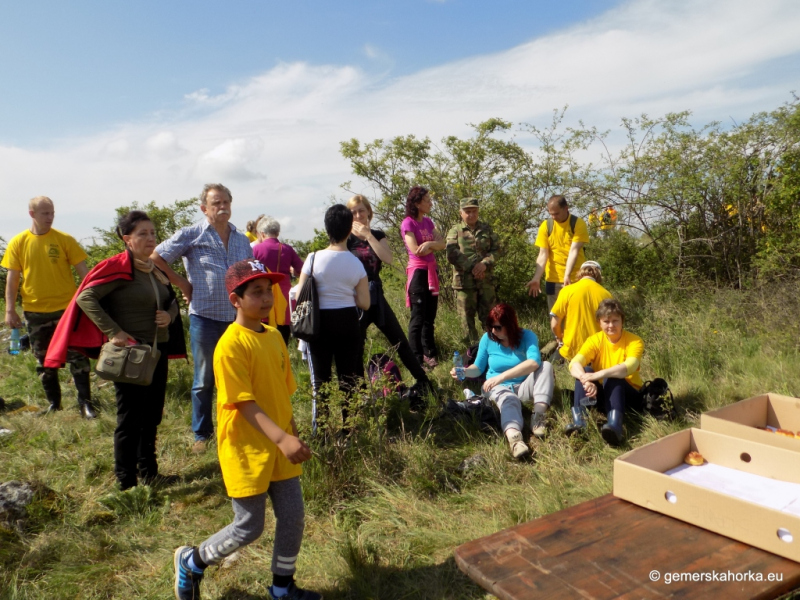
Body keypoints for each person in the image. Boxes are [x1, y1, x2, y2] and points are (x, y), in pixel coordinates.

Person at [173, 259, 319, 600]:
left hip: (281, 444)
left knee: (293, 517)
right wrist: (282, 439)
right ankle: (192, 561)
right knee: (249, 526)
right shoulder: (231, 344)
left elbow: (283, 393)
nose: (266, 298)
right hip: (246, 447)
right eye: (256, 292)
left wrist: (291, 436)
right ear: (235, 300)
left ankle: (282, 588)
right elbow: (243, 403)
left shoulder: (274, 337)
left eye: (269, 291)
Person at [46, 211, 186, 489]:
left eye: (152, 233)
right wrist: (114, 332)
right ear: (127, 239)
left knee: (152, 414)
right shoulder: (117, 268)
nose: (150, 238)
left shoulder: (154, 270)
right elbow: (86, 297)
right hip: (131, 356)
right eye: (142, 234)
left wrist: (169, 316)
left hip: (156, 353)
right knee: (130, 417)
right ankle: (126, 481)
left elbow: (171, 301)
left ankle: (149, 471)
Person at [151, 183, 253, 453]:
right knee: (204, 378)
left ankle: (239, 427)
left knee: (238, 375)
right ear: (204, 208)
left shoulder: (242, 239)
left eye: (226, 203)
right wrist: (183, 284)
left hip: (237, 319)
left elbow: (250, 274)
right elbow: (156, 257)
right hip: (205, 318)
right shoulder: (192, 234)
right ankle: (202, 434)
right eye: (216, 203)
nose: (222, 207)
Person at [1, 196, 96, 417]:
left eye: (52, 213)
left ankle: (85, 404)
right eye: (45, 213)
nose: (50, 217)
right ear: (32, 214)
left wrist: (91, 302)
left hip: (67, 309)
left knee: (77, 356)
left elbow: (85, 274)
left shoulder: (64, 240)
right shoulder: (19, 242)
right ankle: (54, 404)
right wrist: (9, 310)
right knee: (44, 360)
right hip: (35, 311)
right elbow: (12, 279)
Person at [346, 195, 433, 398]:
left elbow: (388, 258)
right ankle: (360, 395)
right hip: (355, 298)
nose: (358, 215)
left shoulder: (376, 234)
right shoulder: (345, 238)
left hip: (376, 295)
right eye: (353, 212)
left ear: (368, 212)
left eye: (361, 210)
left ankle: (424, 383)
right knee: (356, 346)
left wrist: (368, 236)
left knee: (399, 340)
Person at [297, 204, 369, 433]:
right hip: (348, 322)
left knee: (321, 380)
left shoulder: (312, 258)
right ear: (350, 229)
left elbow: (300, 295)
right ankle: (350, 429)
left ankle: (322, 431)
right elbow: (365, 303)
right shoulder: (357, 263)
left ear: (327, 229)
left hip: (318, 325)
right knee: (348, 379)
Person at [451, 303, 554, 458]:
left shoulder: (527, 336)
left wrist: (502, 376)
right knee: (509, 399)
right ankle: (515, 440)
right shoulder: (487, 339)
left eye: (498, 327)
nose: (494, 331)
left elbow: (534, 363)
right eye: (491, 327)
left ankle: (538, 417)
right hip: (497, 388)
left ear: (510, 325)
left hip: (522, 385)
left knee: (546, 366)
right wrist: (464, 371)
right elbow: (478, 368)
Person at [566, 298, 644, 446]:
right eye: (606, 321)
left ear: (622, 321)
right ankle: (580, 423)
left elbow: (630, 366)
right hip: (601, 394)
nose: (611, 325)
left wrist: (599, 375)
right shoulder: (594, 340)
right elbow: (574, 363)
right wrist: (586, 379)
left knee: (612, 376)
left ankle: (615, 427)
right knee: (585, 370)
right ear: (599, 322)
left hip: (629, 396)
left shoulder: (635, 341)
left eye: (615, 321)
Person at [445, 197, 502, 344]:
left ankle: (494, 347)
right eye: (467, 211)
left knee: (491, 318)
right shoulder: (455, 231)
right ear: (461, 213)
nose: (471, 214)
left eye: (474, 211)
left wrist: (484, 264)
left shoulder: (487, 229)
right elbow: (451, 253)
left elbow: (497, 250)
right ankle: (472, 352)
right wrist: (473, 267)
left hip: (486, 282)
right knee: (466, 320)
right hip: (464, 283)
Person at [401, 186, 446, 370]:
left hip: (431, 271)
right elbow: (415, 250)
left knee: (430, 317)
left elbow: (442, 244)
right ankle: (416, 358)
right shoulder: (408, 223)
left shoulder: (428, 222)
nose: (430, 203)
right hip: (418, 274)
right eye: (427, 200)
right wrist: (430, 246)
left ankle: (430, 354)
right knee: (418, 318)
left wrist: (429, 243)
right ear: (418, 203)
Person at [526, 195, 590, 312]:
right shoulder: (546, 226)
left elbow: (574, 250)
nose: (553, 217)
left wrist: (567, 275)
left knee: (576, 316)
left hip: (575, 279)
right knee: (555, 319)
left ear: (566, 208)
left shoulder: (577, 224)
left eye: (556, 214)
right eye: (551, 214)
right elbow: (542, 254)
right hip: (552, 280)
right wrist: (537, 278)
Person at [253, 216, 304, 345]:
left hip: (263, 295)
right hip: (284, 297)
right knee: (282, 339)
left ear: (262, 233)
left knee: (262, 338)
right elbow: (302, 270)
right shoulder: (287, 249)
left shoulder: (256, 249)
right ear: (277, 233)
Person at [550, 261, 611, 364]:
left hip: (570, 353)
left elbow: (555, 324)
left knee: (549, 366)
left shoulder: (567, 291)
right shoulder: (607, 294)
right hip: (597, 354)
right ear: (599, 274)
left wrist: (559, 339)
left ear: (580, 272)